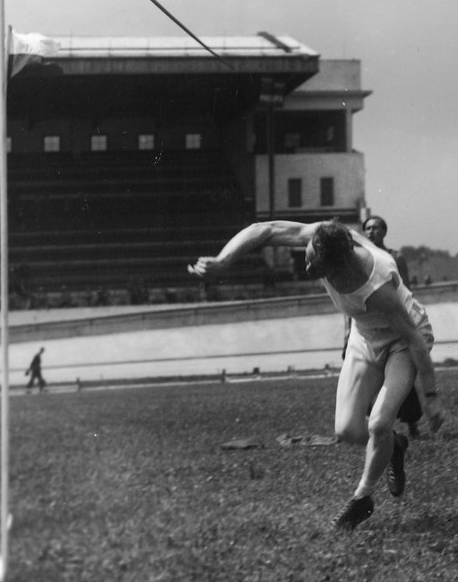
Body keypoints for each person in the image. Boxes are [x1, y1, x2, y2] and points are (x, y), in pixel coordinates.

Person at [188, 218, 444, 531]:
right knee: (348, 430)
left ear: (341, 265)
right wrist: (224, 260)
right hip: (365, 336)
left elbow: (414, 340)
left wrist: (431, 397)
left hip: (404, 340)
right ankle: (395, 445)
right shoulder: (323, 236)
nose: (308, 269)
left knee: (378, 423)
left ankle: (362, 498)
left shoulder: (376, 282)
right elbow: (264, 229)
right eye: (308, 257)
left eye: (315, 265)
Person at [362, 215, 424, 439]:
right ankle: (377, 425)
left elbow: (406, 290)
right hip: (370, 325)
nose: (371, 232)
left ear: (384, 231)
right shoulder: (360, 258)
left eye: (376, 227)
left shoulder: (396, 257)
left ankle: (411, 422)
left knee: (401, 375)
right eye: (368, 228)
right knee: (372, 377)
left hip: (396, 322)